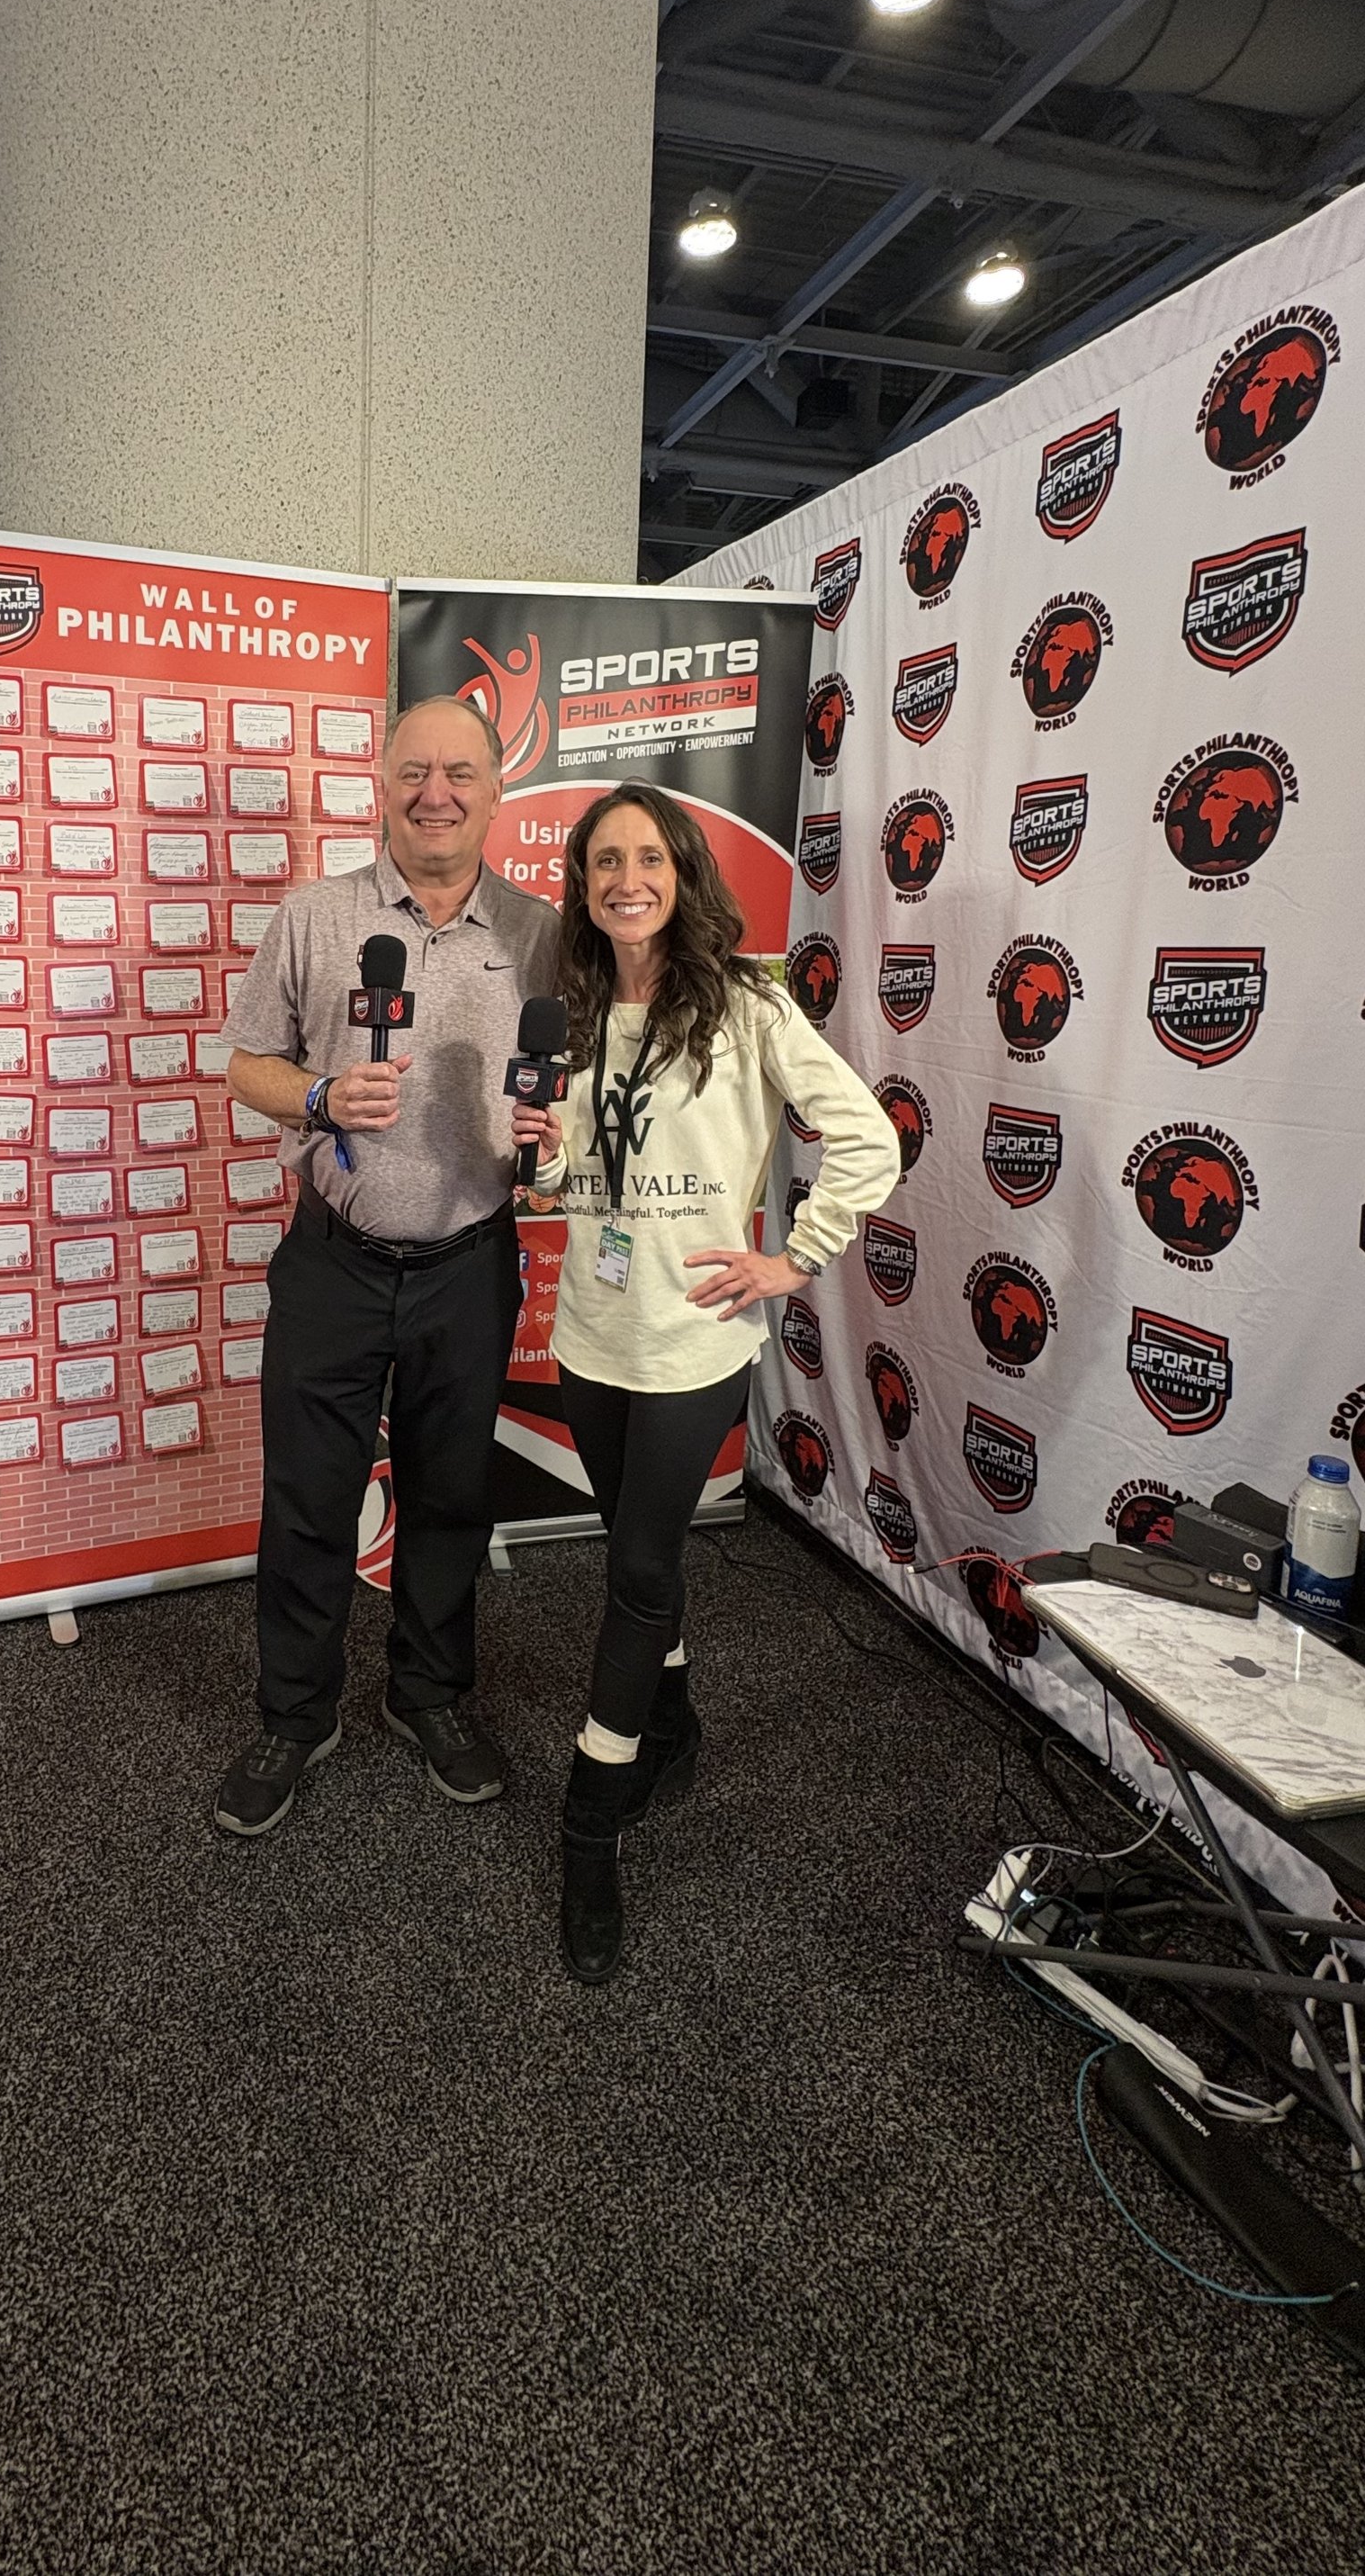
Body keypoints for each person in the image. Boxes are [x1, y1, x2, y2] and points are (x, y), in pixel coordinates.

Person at [510, 783, 903, 1982]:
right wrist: (543, 1163)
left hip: (690, 1349)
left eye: (647, 858)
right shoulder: (569, 1008)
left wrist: (793, 1257)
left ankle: (591, 1817)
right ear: (582, 886)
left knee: (633, 1569)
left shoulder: (742, 1004)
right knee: (649, 1551)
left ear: (681, 874)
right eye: (603, 862)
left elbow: (870, 1138)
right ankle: (673, 1714)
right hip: (592, 1336)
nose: (625, 879)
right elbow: (581, 1176)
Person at [213, 694, 559, 1836]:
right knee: (308, 1499)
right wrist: (315, 1095)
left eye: (460, 773)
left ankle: (429, 1699)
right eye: (414, 772)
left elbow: (573, 1084)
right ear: (382, 785)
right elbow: (248, 1064)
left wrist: (550, 1144)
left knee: (451, 1497)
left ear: (495, 790)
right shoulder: (314, 919)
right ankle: (295, 1715)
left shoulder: (542, 932)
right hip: (333, 1260)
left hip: (471, 1259)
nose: (436, 795)